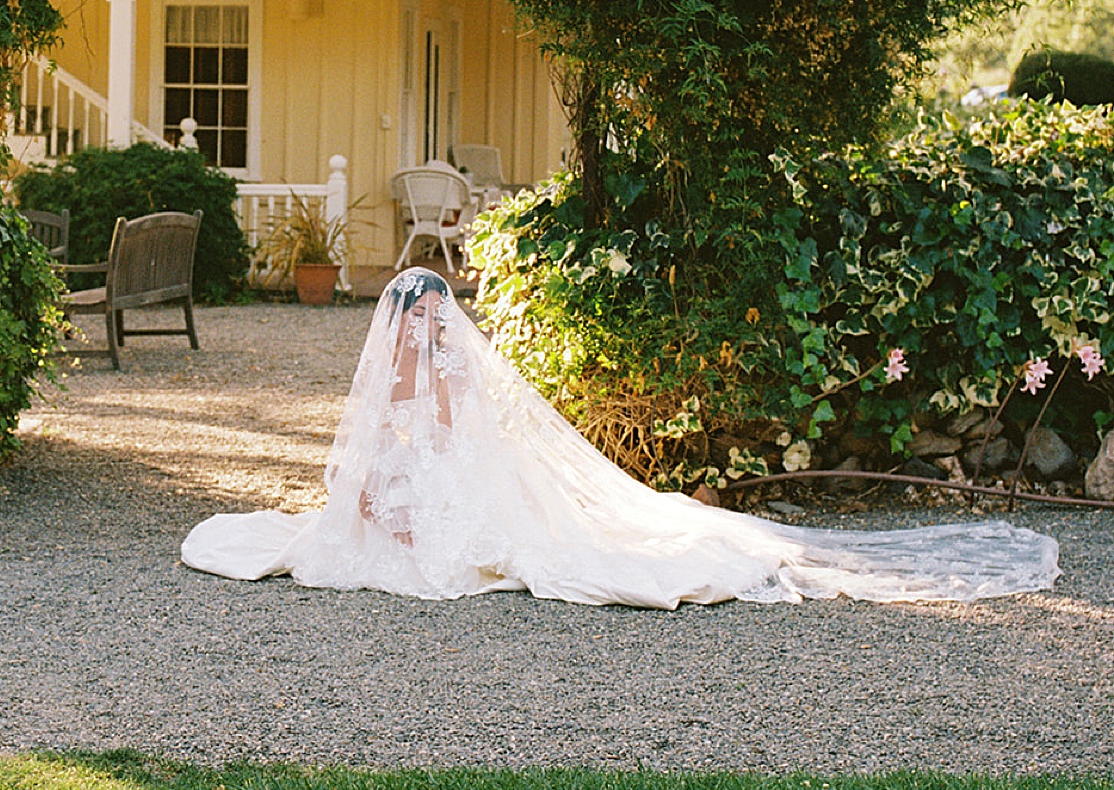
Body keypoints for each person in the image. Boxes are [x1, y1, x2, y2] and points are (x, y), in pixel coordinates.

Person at [181, 268, 1060, 607]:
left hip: (456, 499)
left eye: (428, 324)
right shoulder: (396, 381)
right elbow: (375, 468)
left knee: (549, 547)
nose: (419, 336)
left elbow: (461, 452)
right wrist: (379, 507)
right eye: (414, 324)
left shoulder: (452, 376)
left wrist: (411, 507)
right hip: (423, 501)